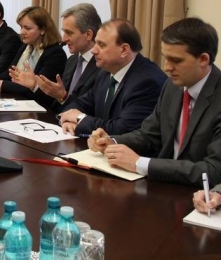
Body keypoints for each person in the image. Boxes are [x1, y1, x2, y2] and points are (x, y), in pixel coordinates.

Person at [88, 17, 221, 187]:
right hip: (163, 188)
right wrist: (112, 142)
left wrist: (139, 163)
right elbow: (148, 135)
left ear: (203, 59)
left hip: (201, 195)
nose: (167, 67)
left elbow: (213, 170)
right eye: (166, 58)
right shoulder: (173, 86)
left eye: (176, 60)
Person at [59, 19, 166, 135]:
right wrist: (68, 120)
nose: (94, 50)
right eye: (95, 43)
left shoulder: (146, 82)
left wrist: (79, 118)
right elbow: (80, 104)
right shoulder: (105, 72)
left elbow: (122, 129)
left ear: (124, 50)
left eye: (101, 45)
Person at [0, 6, 66, 108]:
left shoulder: (55, 54)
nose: (22, 32)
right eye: (21, 27)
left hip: (40, 107)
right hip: (19, 103)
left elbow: (37, 89)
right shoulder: (25, 47)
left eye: (27, 28)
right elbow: (10, 73)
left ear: (42, 29)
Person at [36, 3, 102, 111]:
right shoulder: (72, 60)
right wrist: (35, 86)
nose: (63, 39)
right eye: (64, 32)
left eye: (69, 33)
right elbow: (56, 102)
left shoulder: (102, 65)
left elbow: (92, 110)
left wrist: (63, 97)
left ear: (88, 35)